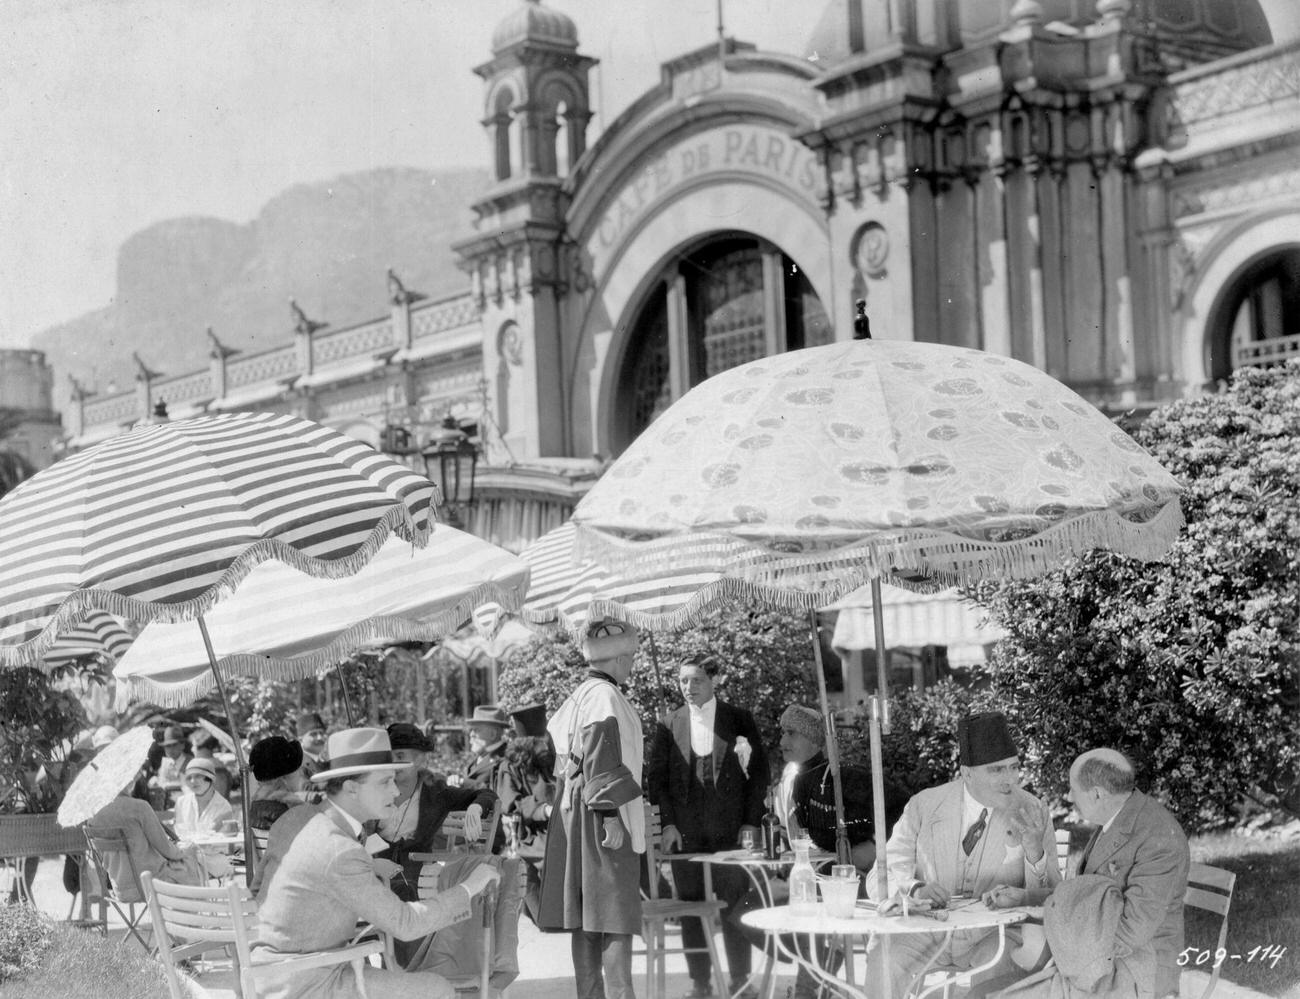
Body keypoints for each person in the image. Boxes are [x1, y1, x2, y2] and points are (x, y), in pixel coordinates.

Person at [252, 726, 500, 999]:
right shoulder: (341, 849)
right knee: (437, 988)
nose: (395, 790)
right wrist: (470, 886)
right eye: (384, 782)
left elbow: (258, 889)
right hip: (307, 982)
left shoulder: (294, 819)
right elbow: (406, 924)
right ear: (351, 789)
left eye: (394, 779)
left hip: (268, 973)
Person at [866, 711, 1061, 999]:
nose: (1010, 779)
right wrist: (915, 890)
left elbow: (1053, 893)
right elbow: (880, 874)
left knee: (999, 967)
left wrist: (1035, 852)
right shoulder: (925, 805)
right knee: (884, 953)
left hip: (993, 933)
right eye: (996, 770)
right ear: (967, 773)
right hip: (927, 929)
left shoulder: (1031, 811)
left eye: (1013, 767)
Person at [1017, 748, 1189, 999]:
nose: (1068, 796)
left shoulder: (1158, 837)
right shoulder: (1119, 818)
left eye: (1073, 789)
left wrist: (1063, 948)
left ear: (1097, 794)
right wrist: (1023, 898)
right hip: (1103, 963)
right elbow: (1085, 899)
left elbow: (1131, 932)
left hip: (1136, 972)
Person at [647, 654, 770, 999]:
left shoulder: (738, 719)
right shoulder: (668, 724)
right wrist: (668, 824)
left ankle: (741, 981)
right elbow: (656, 781)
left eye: (696, 680)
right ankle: (700, 983)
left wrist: (750, 822)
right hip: (686, 833)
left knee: (734, 905)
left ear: (713, 680)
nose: (688, 687)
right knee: (690, 906)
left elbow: (759, 775)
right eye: (683, 680)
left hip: (730, 833)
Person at [538, 619, 646, 999]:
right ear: (616, 658)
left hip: (578, 810)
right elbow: (600, 754)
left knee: (589, 916)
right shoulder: (604, 696)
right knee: (613, 912)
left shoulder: (582, 693)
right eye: (630, 657)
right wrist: (610, 815)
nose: (632, 663)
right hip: (600, 812)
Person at [777, 704, 906, 871]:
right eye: (783, 733)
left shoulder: (842, 775)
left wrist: (874, 844)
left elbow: (904, 806)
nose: (782, 741)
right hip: (814, 876)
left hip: (860, 879)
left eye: (792, 733)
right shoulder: (789, 779)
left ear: (814, 741)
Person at [374, 722, 497, 890]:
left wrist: (475, 808)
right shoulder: (373, 789)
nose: (394, 762)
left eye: (401, 756)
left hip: (415, 880)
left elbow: (486, 794)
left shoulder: (435, 793)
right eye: (390, 757)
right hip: (374, 876)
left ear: (419, 760)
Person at [88, 780, 205, 896]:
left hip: (120, 888)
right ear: (129, 782)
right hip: (151, 883)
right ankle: (188, 913)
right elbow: (165, 849)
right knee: (189, 859)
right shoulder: (139, 807)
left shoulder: (94, 813)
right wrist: (183, 851)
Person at [174, 756, 236, 879]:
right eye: (189, 777)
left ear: (210, 779)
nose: (192, 781)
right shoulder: (181, 803)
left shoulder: (223, 806)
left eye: (197, 776)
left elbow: (223, 845)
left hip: (213, 860)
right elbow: (179, 835)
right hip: (185, 857)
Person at [248, 736, 307, 830]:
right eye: (298, 771)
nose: (301, 774)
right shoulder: (293, 811)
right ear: (283, 779)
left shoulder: (253, 809)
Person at [462, 704, 511, 790]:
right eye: (471, 730)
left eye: (476, 730)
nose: (471, 734)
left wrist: (463, 782)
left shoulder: (506, 758)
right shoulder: (481, 755)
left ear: (492, 734)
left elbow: (499, 792)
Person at [188, 728, 233, 797]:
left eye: (194, 746)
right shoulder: (218, 764)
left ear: (202, 747)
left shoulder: (205, 767)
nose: (192, 750)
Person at [151, 725, 192, 793]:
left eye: (174, 745)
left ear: (182, 745)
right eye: (167, 746)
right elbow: (161, 782)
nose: (171, 749)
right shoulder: (165, 763)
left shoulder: (191, 763)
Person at [295, 711, 328, 779]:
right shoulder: (297, 765)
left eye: (321, 733)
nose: (319, 738)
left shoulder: (324, 761)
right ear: (300, 740)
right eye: (313, 734)